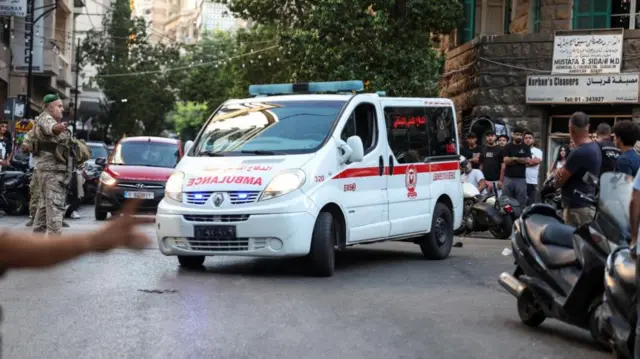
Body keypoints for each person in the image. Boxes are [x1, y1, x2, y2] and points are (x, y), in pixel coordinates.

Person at [32, 94, 71, 235]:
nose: (62, 109)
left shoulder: (45, 118)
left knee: (44, 207)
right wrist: (59, 127)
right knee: (54, 206)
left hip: (48, 169)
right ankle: (54, 248)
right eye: (59, 106)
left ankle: (36, 246)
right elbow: (52, 128)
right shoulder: (46, 118)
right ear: (50, 108)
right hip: (51, 171)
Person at [554, 112, 602, 228]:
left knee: (572, 244)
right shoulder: (594, 147)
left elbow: (559, 182)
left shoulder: (578, 152)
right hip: (587, 203)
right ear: (588, 126)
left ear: (571, 128)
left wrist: (557, 175)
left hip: (576, 209)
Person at [500, 127, 531, 207]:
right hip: (508, 178)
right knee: (506, 202)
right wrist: (521, 160)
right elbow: (506, 161)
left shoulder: (526, 147)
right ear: (513, 135)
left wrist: (514, 158)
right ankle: (508, 219)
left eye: (521, 135)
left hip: (521, 179)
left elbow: (528, 161)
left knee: (521, 202)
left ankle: (518, 218)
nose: (519, 137)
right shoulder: (508, 147)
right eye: (517, 135)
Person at [524, 131, 543, 205]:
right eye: (525, 138)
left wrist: (522, 163)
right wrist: (530, 161)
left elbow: (537, 161)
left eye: (530, 138)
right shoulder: (520, 150)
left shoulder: (537, 151)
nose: (528, 140)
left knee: (530, 203)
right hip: (520, 180)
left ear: (533, 140)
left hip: (531, 181)